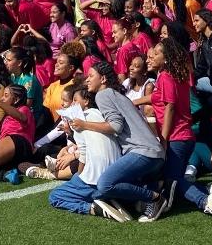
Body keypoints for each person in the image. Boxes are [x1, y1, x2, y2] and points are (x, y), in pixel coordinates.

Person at [141, 38, 212, 225]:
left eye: (157, 54)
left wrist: (164, 138)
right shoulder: (176, 76)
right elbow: (158, 98)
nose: (151, 57)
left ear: (166, 58)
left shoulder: (166, 77)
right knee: (174, 177)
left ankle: (205, 201)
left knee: (173, 178)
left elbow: (170, 108)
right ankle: (209, 191)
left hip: (177, 136)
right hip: (185, 135)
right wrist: (132, 102)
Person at [69, 62, 166, 222]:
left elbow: (115, 126)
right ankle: (156, 191)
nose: (87, 80)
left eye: (91, 76)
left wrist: (84, 125)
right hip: (154, 154)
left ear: (103, 79)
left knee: (105, 184)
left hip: (142, 153)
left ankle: (155, 198)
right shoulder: (116, 94)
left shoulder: (103, 95)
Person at [48, 82, 123, 217]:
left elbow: (83, 155)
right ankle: (109, 199)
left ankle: (93, 207)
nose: (72, 105)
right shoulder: (102, 115)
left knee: (55, 196)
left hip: (96, 181)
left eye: (75, 101)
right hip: (116, 176)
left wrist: (79, 176)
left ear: (86, 101)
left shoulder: (79, 120)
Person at [43, 53, 80, 121]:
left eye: (61, 63)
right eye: (56, 62)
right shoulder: (52, 86)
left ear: (71, 68)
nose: (56, 65)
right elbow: (46, 109)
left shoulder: (75, 86)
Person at [111, 17, 140, 82]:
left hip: (127, 84)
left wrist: (123, 90)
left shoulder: (123, 50)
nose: (113, 35)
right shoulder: (134, 46)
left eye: (115, 32)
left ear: (124, 31)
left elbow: (122, 74)